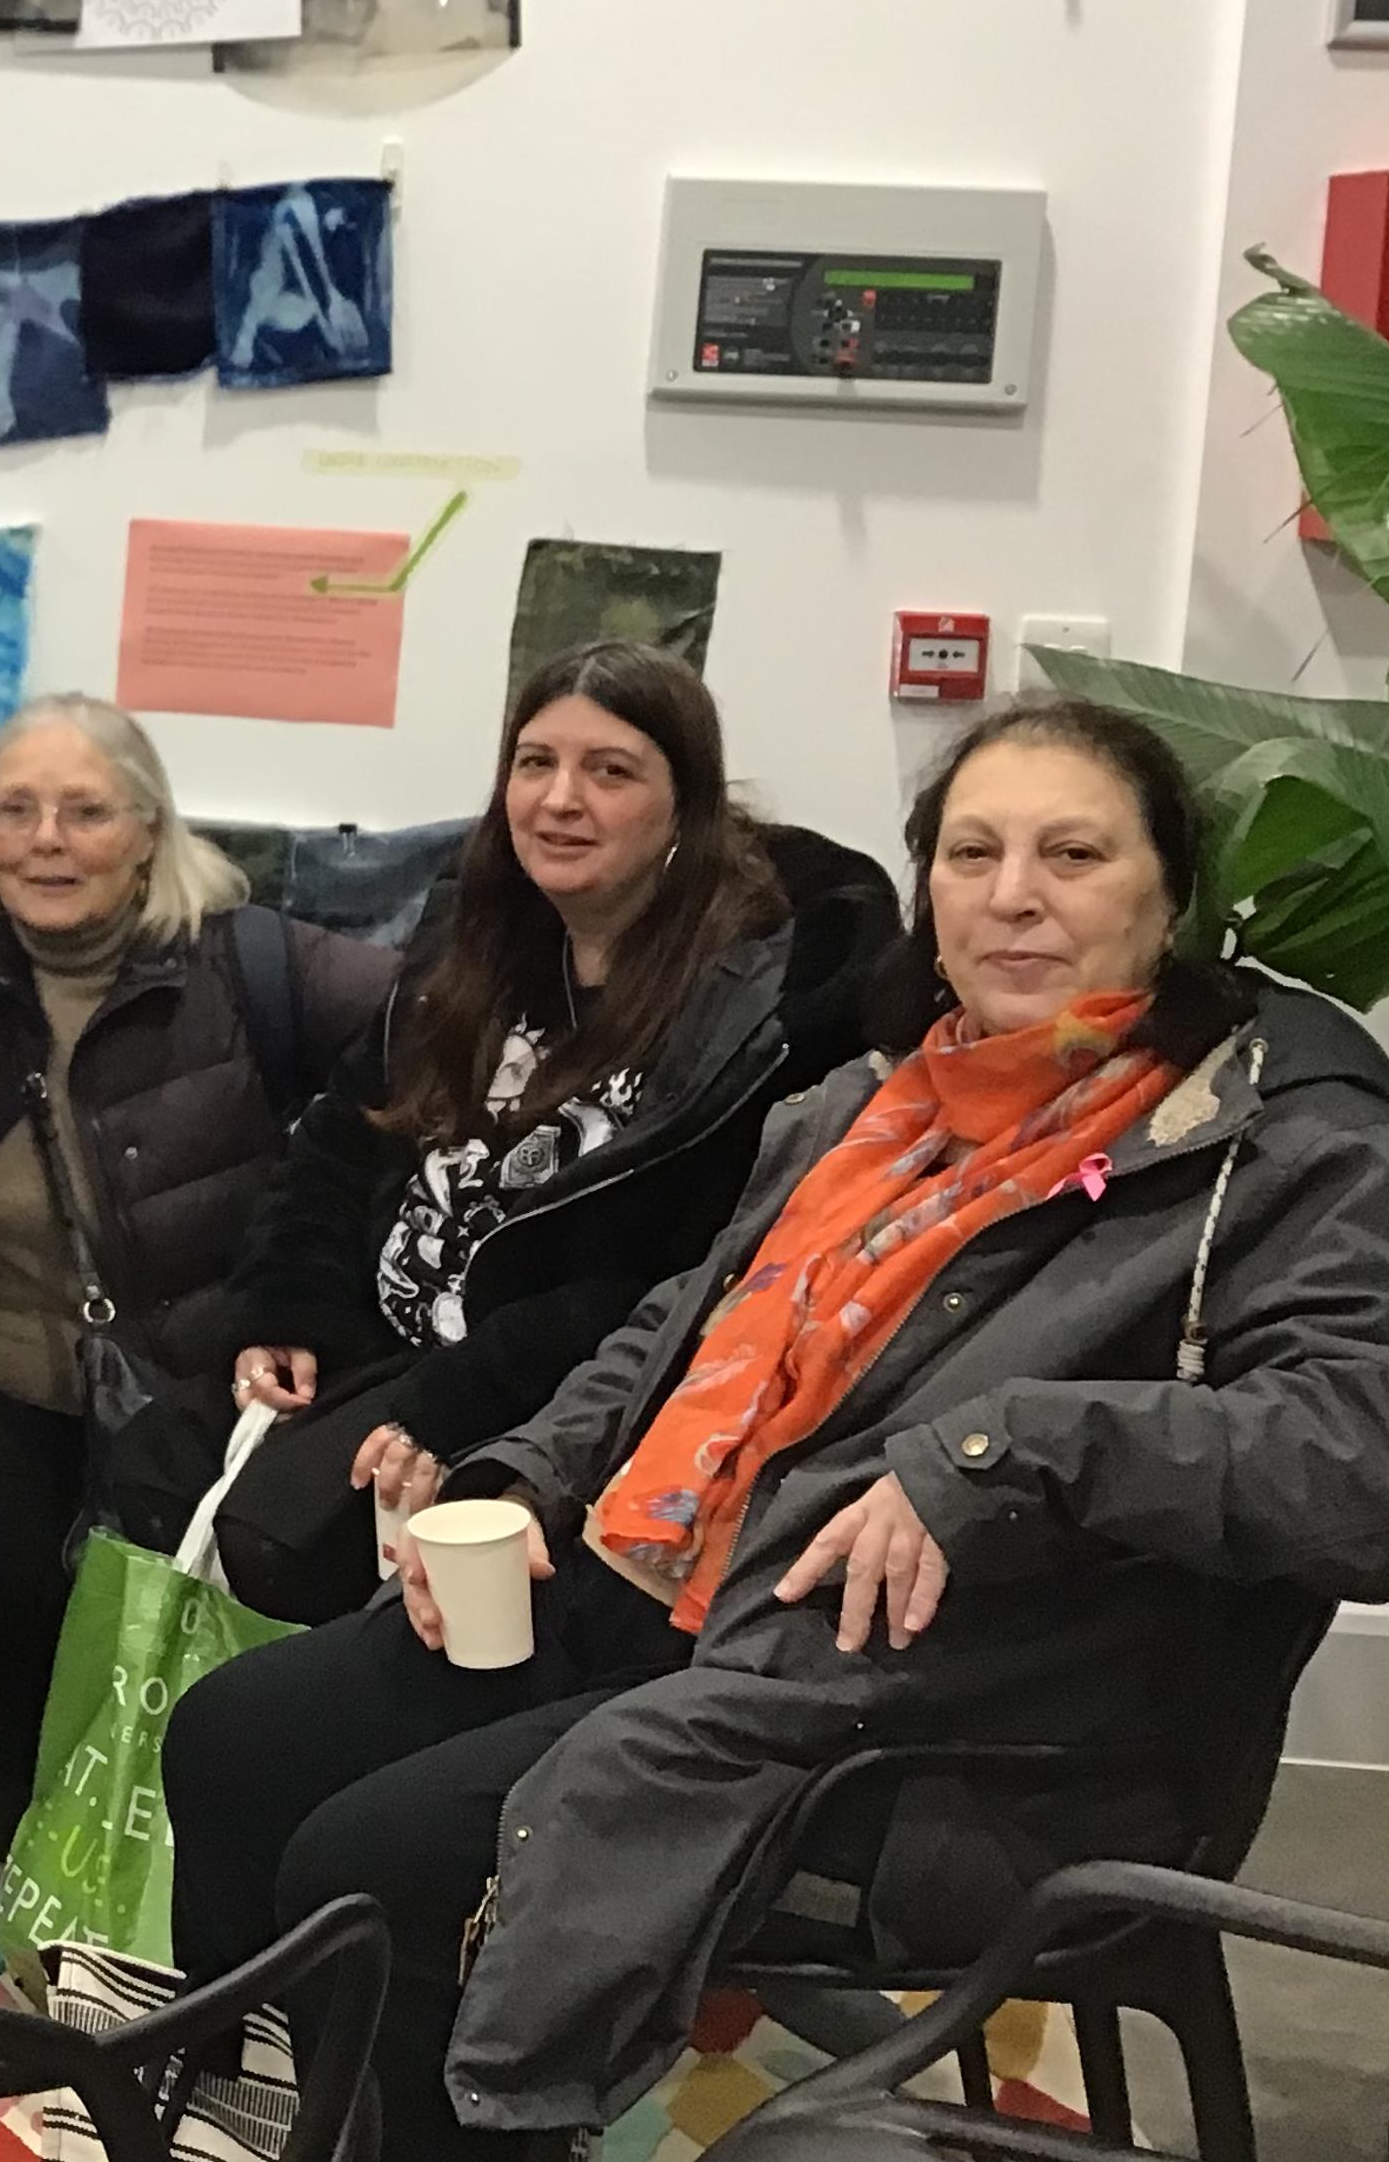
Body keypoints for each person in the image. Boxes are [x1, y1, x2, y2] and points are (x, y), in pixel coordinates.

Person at [163, 696, 1389, 2156]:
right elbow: (682, 1331)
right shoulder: (872, 1105)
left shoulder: (1278, 1146)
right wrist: (522, 1474)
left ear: (1170, 896)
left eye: (1073, 854)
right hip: (681, 1583)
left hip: (935, 1708)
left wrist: (1004, 1455)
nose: (1013, 895)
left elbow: (1358, 1463)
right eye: (973, 853)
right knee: (234, 1736)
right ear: (926, 890)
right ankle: (258, 2123)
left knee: (373, 1862)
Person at [172, 642, 895, 1623]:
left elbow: (695, 1275)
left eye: (611, 771)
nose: (560, 800)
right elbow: (348, 1134)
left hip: (537, 1390)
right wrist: (287, 1305)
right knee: (154, 1455)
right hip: (381, 1334)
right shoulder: (473, 941)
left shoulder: (755, 1012)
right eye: (535, 763)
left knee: (283, 1537)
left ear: (686, 808)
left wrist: (459, 1398)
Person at [0, 695, 397, 1826]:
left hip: (193, 1379)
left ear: (147, 831)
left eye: (85, 812)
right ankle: (37, 1703)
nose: (46, 839)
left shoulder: (255, 967)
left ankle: (145, 1749)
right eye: (16, 810)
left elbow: (444, 1016)